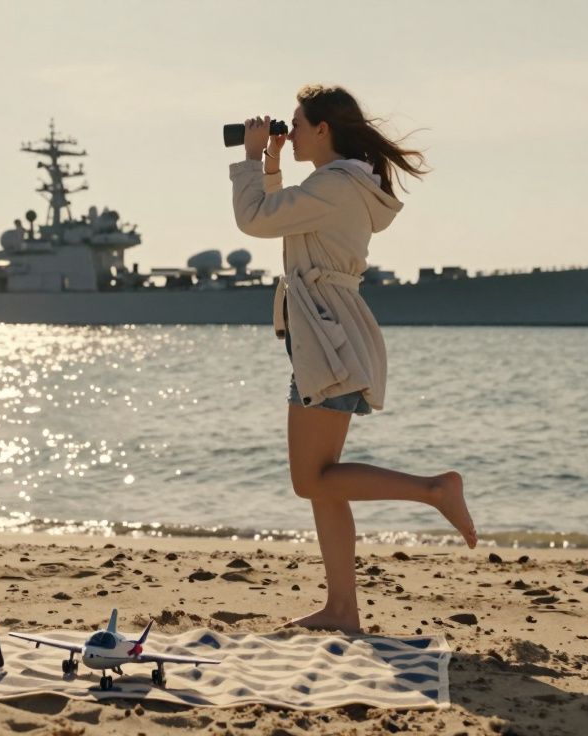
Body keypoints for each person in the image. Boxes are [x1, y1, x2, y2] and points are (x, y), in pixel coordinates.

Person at [229, 84, 478, 635]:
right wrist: (271, 167)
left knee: (309, 480)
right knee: (326, 481)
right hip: (327, 329)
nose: (287, 133)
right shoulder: (344, 186)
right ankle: (343, 610)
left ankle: (433, 489)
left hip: (325, 334)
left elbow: (255, 221)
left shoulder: (334, 187)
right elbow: (284, 217)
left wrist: (249, 161)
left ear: (323, 129)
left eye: (296, 124)